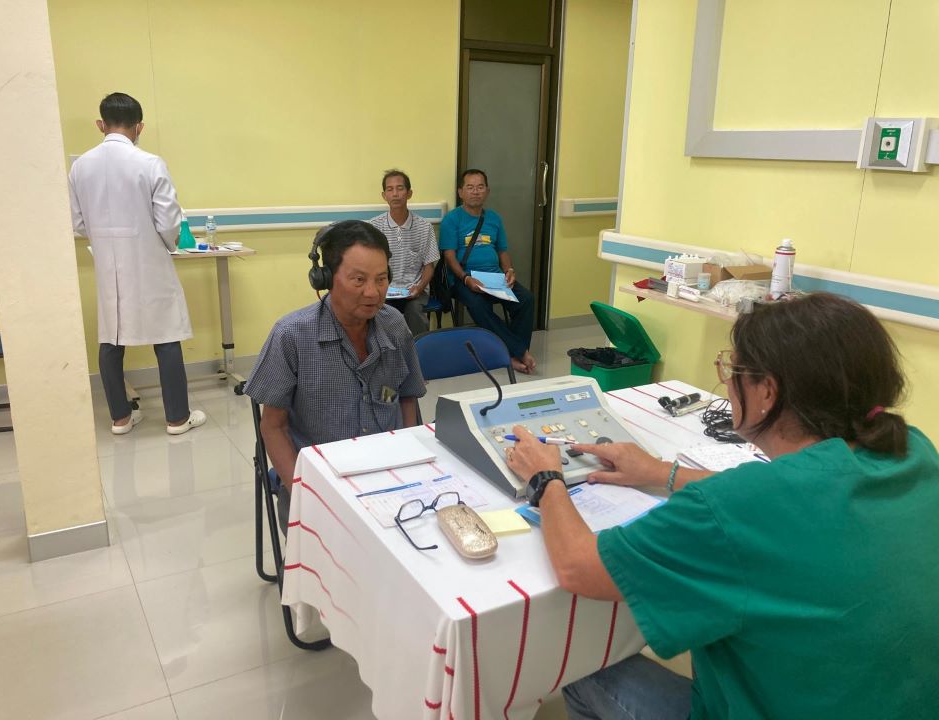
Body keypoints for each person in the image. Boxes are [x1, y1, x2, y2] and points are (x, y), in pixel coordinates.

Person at [504, 293, 939, 720]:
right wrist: (660, 472)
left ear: (767, 391)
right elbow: (786, 501)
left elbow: (579, 567)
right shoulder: (912, 450)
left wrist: (546, 478)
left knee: (580, 670)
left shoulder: (736, 508)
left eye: (734, 369)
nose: (727, 383)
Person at [246, 220, 426, 531]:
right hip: (319, 482)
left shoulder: (395, 325)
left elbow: (408, 398)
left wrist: (408, 464)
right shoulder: (292, 335)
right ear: (326, 278)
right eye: (359, 280)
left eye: (381, 279)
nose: (372, 292)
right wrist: (304, 493)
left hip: (387, 473)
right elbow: (273, 427)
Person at [69, 92, 206, 436]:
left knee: (111, 337)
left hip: (107, 264)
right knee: (166, 333)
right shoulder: (150, 163)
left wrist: (106, 240)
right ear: (139, 126)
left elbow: (78, 222)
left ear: (100, 124)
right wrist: (166, 245)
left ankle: (121, 418)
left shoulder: (80, 166)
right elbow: (168, 220)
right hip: (149, 261)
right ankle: (177, 418)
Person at [439, 169, 537, 373]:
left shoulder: (494, 218)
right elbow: (449, 256)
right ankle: (519, 352)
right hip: (464, 278)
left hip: (495, 277)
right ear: (461, 192)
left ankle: (511, 353)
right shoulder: (452, 219)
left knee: (526, 299)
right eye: (470, 187)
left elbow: (502, 251)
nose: (475, 192)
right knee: (478, 305)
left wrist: (509, 270)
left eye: (480, 187)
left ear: (487, 191)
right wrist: (466, 279)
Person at [368, 169, 440, 336]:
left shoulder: (424, 227)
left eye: (400, 188)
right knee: (379, 313)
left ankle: (418, 349)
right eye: (390, 189)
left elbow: (429, 267)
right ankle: (386, 351)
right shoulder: (374, 226)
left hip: (415, 291)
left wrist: (419, 287)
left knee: (414, 312)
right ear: (384, 195)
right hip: (384, 290)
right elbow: (369, 265)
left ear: (409, 193)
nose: (395, 194)